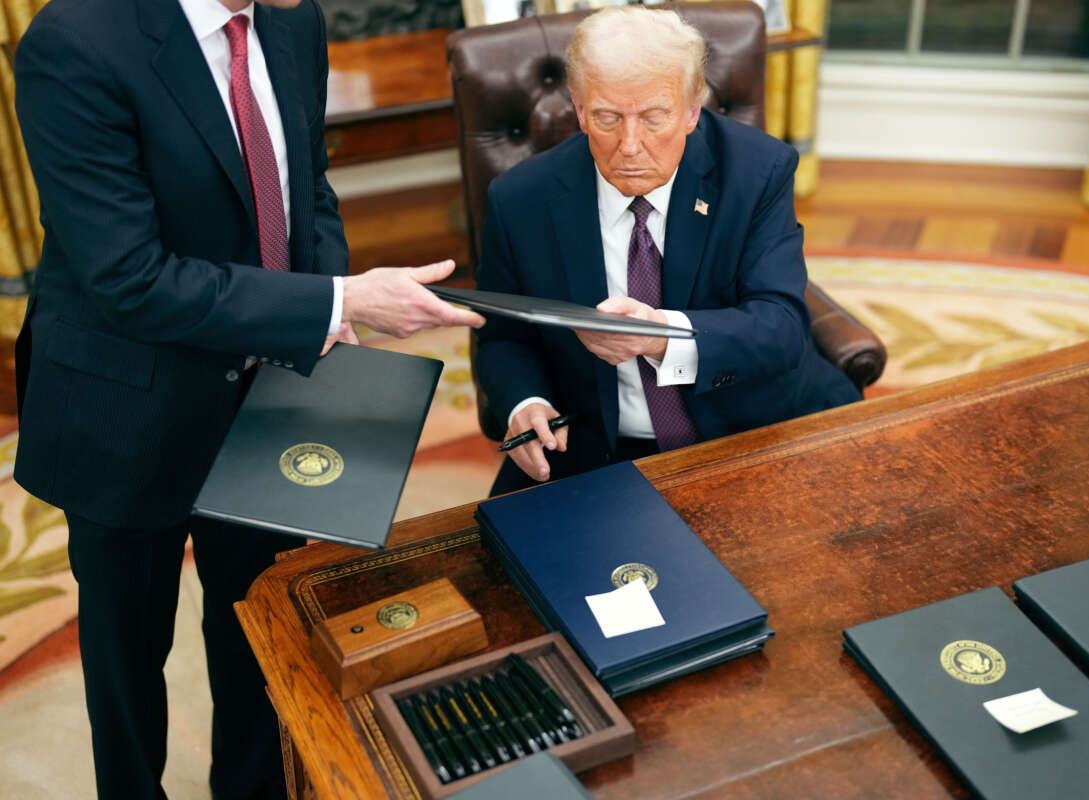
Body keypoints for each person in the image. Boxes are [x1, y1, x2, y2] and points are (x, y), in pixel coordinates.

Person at [12, 0, 483, 797]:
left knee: (260, 628)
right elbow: (131, 281)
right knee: (126, 660)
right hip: (128, 406)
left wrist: (323, 313)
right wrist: (336, 303)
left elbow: (309, 193)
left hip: (267, 391)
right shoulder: (75, 43)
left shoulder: (295, 22)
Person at [474, 6, 860, 496]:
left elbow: (781, 327)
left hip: (750, 430)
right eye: (607, 117)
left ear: (692, 110)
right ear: (578, 109)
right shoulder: (520, 199)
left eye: (654, 117)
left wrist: (658, 337)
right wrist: (524, 403)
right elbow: (504, 336)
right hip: (593, 447)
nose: (630, 145)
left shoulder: (757, 172)